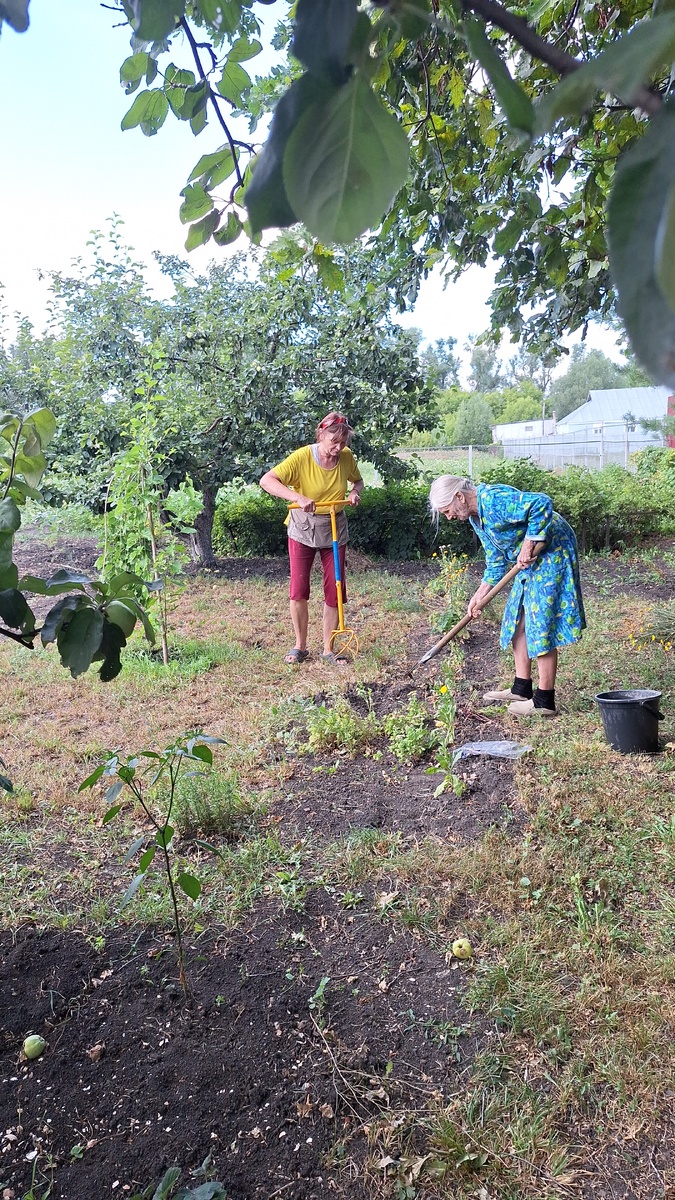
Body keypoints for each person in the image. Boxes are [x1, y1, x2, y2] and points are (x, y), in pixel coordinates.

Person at [429, 475, 586, 716]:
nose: (449, 517)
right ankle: (521, 688)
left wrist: (529, 542)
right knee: (516, 618)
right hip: (530, 559)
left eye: (448, 510)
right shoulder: (476, 518)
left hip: (552, 549)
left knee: (539, 621)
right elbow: (495, 560)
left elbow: (541, 503)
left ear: (459, 496)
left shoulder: (493, 500)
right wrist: (479, 594)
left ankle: (544, 701)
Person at [260, 413, 364, 665]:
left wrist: (354, 492)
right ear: (320, 435)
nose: (338, 447)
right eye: (333, 440)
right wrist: (297, 498)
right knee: (298, 589)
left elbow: (358, 481)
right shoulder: (302, 457)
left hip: (334, 528)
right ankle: (300, 646)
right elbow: (267, 481)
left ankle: (329, 648)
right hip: (303, 527)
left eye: (343, 442)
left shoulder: (346, 458)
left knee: (335, 589)